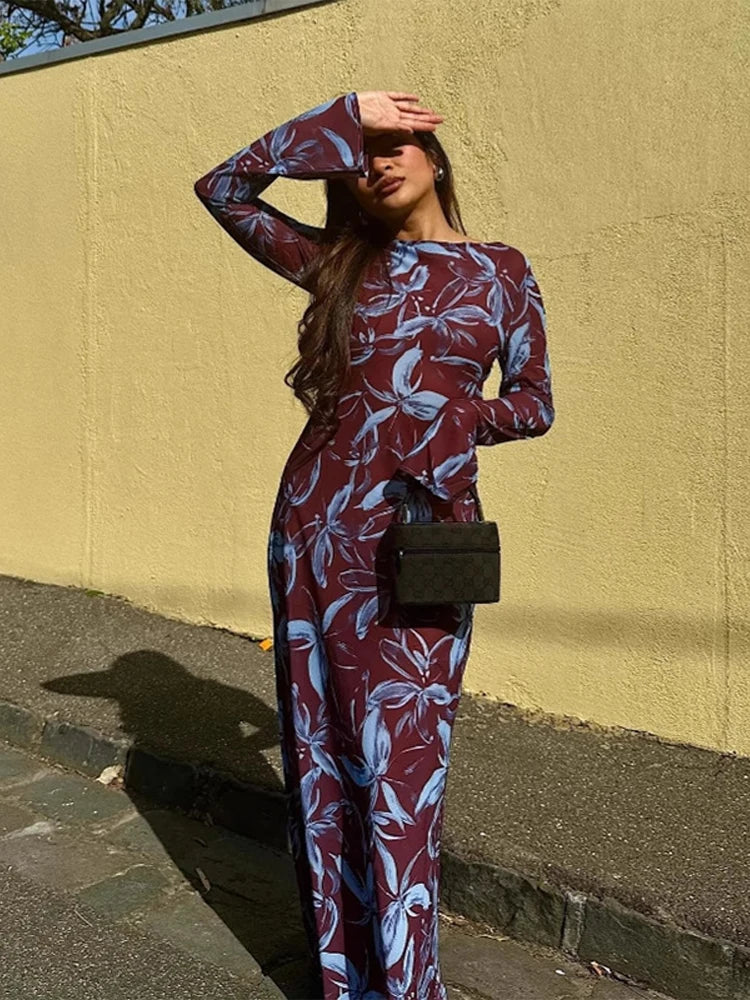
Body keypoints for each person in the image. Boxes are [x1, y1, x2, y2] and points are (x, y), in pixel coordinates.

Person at [194, 89, 554, 1000]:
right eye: (357, 156)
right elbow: (223, 188)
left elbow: (536, 402)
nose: (377, 163)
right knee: (323, 757)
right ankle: (344, 979)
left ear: (435, 156)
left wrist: (460, 417)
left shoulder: (502, 271)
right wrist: (339, 114)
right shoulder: (336, 263)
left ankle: (406, 983)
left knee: (404, 770)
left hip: (427, 538)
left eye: (393, 144)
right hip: (317, 529)